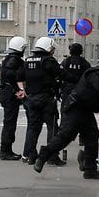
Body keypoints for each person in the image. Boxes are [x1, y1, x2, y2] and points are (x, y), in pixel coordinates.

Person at [34, 56, 99, 179]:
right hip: (76, 107)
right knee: (65, 135)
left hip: (86, 110)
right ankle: (43, 156)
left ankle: (90, 169)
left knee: (92, 136)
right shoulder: (96, 75)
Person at [18, 37, 65, 166]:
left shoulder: (28, 61)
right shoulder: (48, 60)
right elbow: (61, 74)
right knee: (52, 127)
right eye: (53, 49)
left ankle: (29, 155)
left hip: (32, 98)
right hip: (47, 99)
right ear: (48, 48)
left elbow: (19, 77)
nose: (53, 51)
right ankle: (51, 156)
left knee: (33, 128)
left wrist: (23, 90)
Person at [0, 36, 28, 160]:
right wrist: (18, 89)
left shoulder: (8, 59)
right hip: (10, 95)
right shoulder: (14, 60)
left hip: (6, 94)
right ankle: (5, 151)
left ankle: (6, 149)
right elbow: (11, 75)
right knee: (9, 123)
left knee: (9, 123)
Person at [60, 43, 91, 114]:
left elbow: (60, 74)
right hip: (81, 91)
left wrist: (60, 90)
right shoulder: (85, 63)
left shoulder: (65, 62)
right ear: (81, 51)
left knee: (65, 111)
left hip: (67, 91)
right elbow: (89, 77)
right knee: (80, 112)